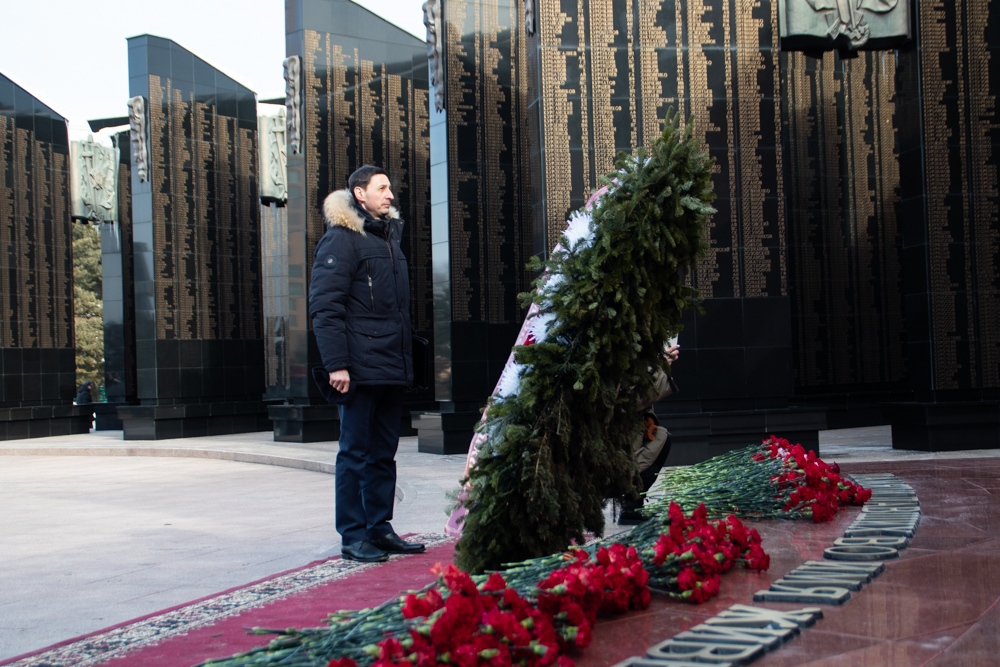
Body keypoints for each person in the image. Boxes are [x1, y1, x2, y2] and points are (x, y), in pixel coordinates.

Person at [308, 165, 426, 563]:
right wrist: (337, 364)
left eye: (390, 188)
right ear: (360, 194)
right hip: (357, 368)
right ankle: (353, 535)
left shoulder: (388, 239)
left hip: (390, 365)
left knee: (383, 454)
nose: (390, 195)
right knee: (354, 454)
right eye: (382, 188)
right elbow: (325, 307)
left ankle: (379, 527)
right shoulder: (341, 240)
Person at [619, 344, 679, 525]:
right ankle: (630, 507)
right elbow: (633, 398)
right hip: (617, 443)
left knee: (662, 438)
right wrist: (660, 367)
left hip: (630, 432)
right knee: (660, 441)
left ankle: (633, 505)